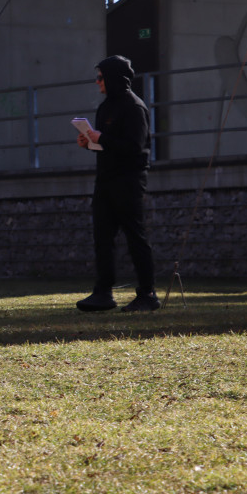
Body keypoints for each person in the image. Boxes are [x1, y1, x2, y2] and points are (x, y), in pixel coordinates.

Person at [76, 55, 160, 313]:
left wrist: (102, 138)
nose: (97, 82)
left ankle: (147, 293)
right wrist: (90, 143)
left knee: (135, 236)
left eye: (101, 77)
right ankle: (103, 292)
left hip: (128, 181)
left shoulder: (134, 107)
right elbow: (108, 144)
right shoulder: (105, 107)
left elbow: (135, 147)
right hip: (105, 179)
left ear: (113, 78)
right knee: (102, 237)